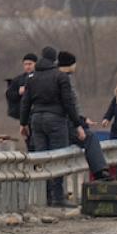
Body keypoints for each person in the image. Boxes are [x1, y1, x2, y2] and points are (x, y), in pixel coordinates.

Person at [21, 48, 82, 206]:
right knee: (58, 157)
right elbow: (68, 103)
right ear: (54, 60)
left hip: (36, 120)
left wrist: (23, 123)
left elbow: (25, 102)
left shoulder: (32, 77)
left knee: (42, 158)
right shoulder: (60, 76)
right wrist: (77, 124)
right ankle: (58, 197)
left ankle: (45, 196)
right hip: (55, 119)